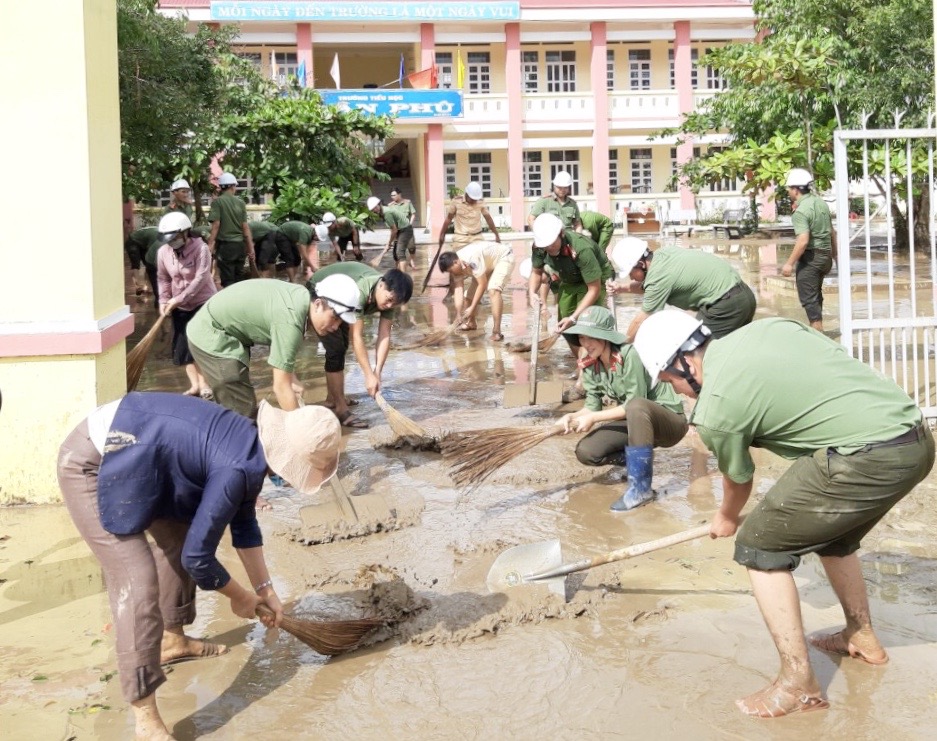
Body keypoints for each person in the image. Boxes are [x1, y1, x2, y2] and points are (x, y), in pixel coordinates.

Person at [633, 311, 935, 718]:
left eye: (669, 380)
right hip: (915, 441)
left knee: (759, 546)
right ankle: (861, 636)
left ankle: (798, 685)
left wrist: (725, 518)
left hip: (865, 458)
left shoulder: (716, 407)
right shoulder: (771, 327)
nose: (678, 392)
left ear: (684, 360)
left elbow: (739, 481)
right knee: (833, 536)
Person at [57, 391, 341, 740]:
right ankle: (144, 715)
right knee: (137, 578)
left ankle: (172, 641)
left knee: (178, 534)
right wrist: (240, 597)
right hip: (96, 459)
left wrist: (265, 590)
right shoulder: (237, 467)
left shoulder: (251, 448)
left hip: (144, 454)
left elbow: (243, 522)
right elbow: (199, 558)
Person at [556, 305, 688, 510]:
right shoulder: (591, 364)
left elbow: (634, 404)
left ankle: (641, 487)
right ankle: (637, 462)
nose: (586, 343)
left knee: (635, 406)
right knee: (586, 451)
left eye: (591, 337)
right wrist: (572, 417)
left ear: (605, 337)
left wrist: (594, 418)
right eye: (582, 338)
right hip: (637, 422)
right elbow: (591, 407)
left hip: (669, 423)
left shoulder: (630, 355)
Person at [186, 274, 361, 419]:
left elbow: (278, 338)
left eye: (341, 322)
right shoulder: (291, 322)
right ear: (318, 304)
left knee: (243, 406)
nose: (335, 327)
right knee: (240, 410)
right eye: (335, 318)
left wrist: (292, 379)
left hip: (225, 328)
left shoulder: (301, 298)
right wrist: (301, 430)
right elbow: (280, 387)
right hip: (211, 332)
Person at [307, 264, 413, 428]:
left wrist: (377, 372)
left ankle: (332, 398)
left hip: (343, 301)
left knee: (341, 346)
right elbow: (357, 336)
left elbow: (384, 334)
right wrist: (368, 375)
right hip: (322, 293)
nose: (390, 306)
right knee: (336, 348)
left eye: (395, 304)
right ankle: (340, 408)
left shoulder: (388, 300)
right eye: (389, 299)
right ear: (381, 284)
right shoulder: (360, 292)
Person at [528, 213, 613, 397]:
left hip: (592, 280)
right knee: (565, 328)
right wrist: (532, 293)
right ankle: (584, 366)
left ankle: (585, 383)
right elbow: (536, 272)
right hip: (569, 280)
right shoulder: (540, 247)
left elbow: (594, 289)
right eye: (545, 245)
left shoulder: (580, 248)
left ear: (561, 234)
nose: (549, 249)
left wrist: (574, 317)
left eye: (552, 243)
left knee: (585, 326)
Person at [608, 238, 756, 343]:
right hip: (744, 295)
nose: (631, 277)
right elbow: (652, 287)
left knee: (696, 352)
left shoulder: (658, 278)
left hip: (726, 305)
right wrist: (622, 288)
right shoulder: (665, 254)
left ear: (640, 264)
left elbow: (640, 321)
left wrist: (622, 345)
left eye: (630, 273)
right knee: (737, 348)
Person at [155, 212, 217, 398]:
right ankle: (195, 386)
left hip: (202, 302)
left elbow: (201, 278)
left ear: (185, 233)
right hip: (179, 306)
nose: (171, 242)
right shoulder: (163, 252)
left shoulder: (201, 249)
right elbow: (163, 278)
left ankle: (206, 384)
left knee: (200, 345)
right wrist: (164, 300)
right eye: (169, 239)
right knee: (183, 347)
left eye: (174, 237)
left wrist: (179, 298)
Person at [783, 168, 837, 331]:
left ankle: (818, 335)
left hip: (811, 259)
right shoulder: (821, 203)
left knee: (809, 299)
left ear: (796, 189)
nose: (788, 192)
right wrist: (835, 255)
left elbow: (803, 241)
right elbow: (832, 231)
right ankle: (816, 329)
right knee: (815, 296)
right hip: (825, 258)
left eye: (789, 189)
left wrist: (789, 264)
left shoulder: (801, 211)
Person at [438, 241, 514, 341]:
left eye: (451, 271)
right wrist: (458, 314)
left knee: (493, 290)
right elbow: (458, 290)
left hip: (504, 257)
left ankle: (497, 332)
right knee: (468, 298)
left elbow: (482, 285)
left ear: (456, 262)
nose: (452, 273)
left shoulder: (472, 258)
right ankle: (471, 322)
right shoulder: (458, 266)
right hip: (487, 265)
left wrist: (472, 308)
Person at [207, 172, 255, 287]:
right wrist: (251, 248)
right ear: (233, 186)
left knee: (228, 280)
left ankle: (230, 303)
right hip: (240, 246)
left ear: (221, 188)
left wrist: (210, 245)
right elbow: (245, 227)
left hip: (226, 247)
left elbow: (216, 225)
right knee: (239, 277)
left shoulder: (217, 202)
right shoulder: (241, 203)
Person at [437, 181, 501, 252]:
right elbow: (448, 219)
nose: (474, 201)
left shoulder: (481, 202)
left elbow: (488, 219)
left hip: (477, 239)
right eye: (472, 199)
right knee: (458, 261)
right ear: (467, 194)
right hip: (461, 240)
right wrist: (442, 234)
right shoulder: (456, 201)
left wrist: (496, 235)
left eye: (475, 199)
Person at [369, 195, 416, 271]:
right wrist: (390, 242)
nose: (375, 209)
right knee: (396, 254)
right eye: (372, 209)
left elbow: (394, 230)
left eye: (375, 206)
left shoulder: (386, 212)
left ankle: (403, 276)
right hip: (400, 230)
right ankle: (398, 272)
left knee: (400, 252)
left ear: (379, 204)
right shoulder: (382, 213)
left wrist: (389, 242)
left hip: (405, 229)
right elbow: (394, 229)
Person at [124, 226, 159, 297]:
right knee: (135, 264)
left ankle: (147, 286)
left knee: (149, 264)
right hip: (132, 241)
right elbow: (152, 253)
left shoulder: (161, 236)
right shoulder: (157, 238)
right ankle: (138, 286)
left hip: (142, 243)